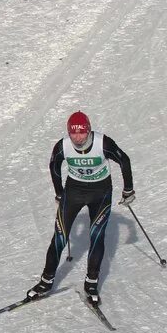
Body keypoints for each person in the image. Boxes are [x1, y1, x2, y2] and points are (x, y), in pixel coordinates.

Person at [26, 111, 134, 305]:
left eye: (82, 133)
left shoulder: (103, 143)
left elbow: (124, 160)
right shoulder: (63, 146)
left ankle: (91, 282)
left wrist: (128, 190)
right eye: (73, 133)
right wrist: (59, 192)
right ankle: (45, 281)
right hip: (74, 192)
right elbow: (54, 165)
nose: (78, 138)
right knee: (59, 236)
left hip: (100, 193)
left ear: (89, 130)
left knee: (97, 236)